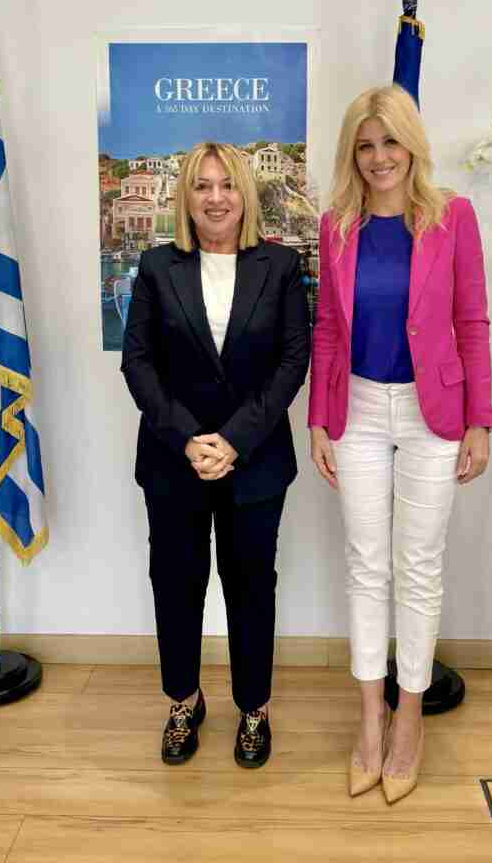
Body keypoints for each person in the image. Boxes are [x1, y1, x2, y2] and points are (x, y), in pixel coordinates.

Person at [308, 85, 492, 803]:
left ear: (412, 145)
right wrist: (319, 418)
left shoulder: (453, 217)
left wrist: (479, 419)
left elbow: (471, 320)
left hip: (431, 410)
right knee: (366, 565)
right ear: (351, 153)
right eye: (365, 145)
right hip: (356, 406)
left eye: (390, 141)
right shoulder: (336, 226)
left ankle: (409, 719)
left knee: (417, 566)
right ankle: (369, 720)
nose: (379, 157)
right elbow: (328, 327)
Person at [121, 141, 311, 769]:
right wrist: (188, 437)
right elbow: (138, 363)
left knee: (251, 586)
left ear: (244, 194)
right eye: (202, 186)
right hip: (172, 460)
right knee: (177, 584)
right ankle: (184, 701)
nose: (215, 198)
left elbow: (293, 362)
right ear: (186, 196)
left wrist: (233, 440)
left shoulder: (280, 267)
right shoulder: (157, 266)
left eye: (227, 185)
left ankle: (254, 707)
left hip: (256, 460)